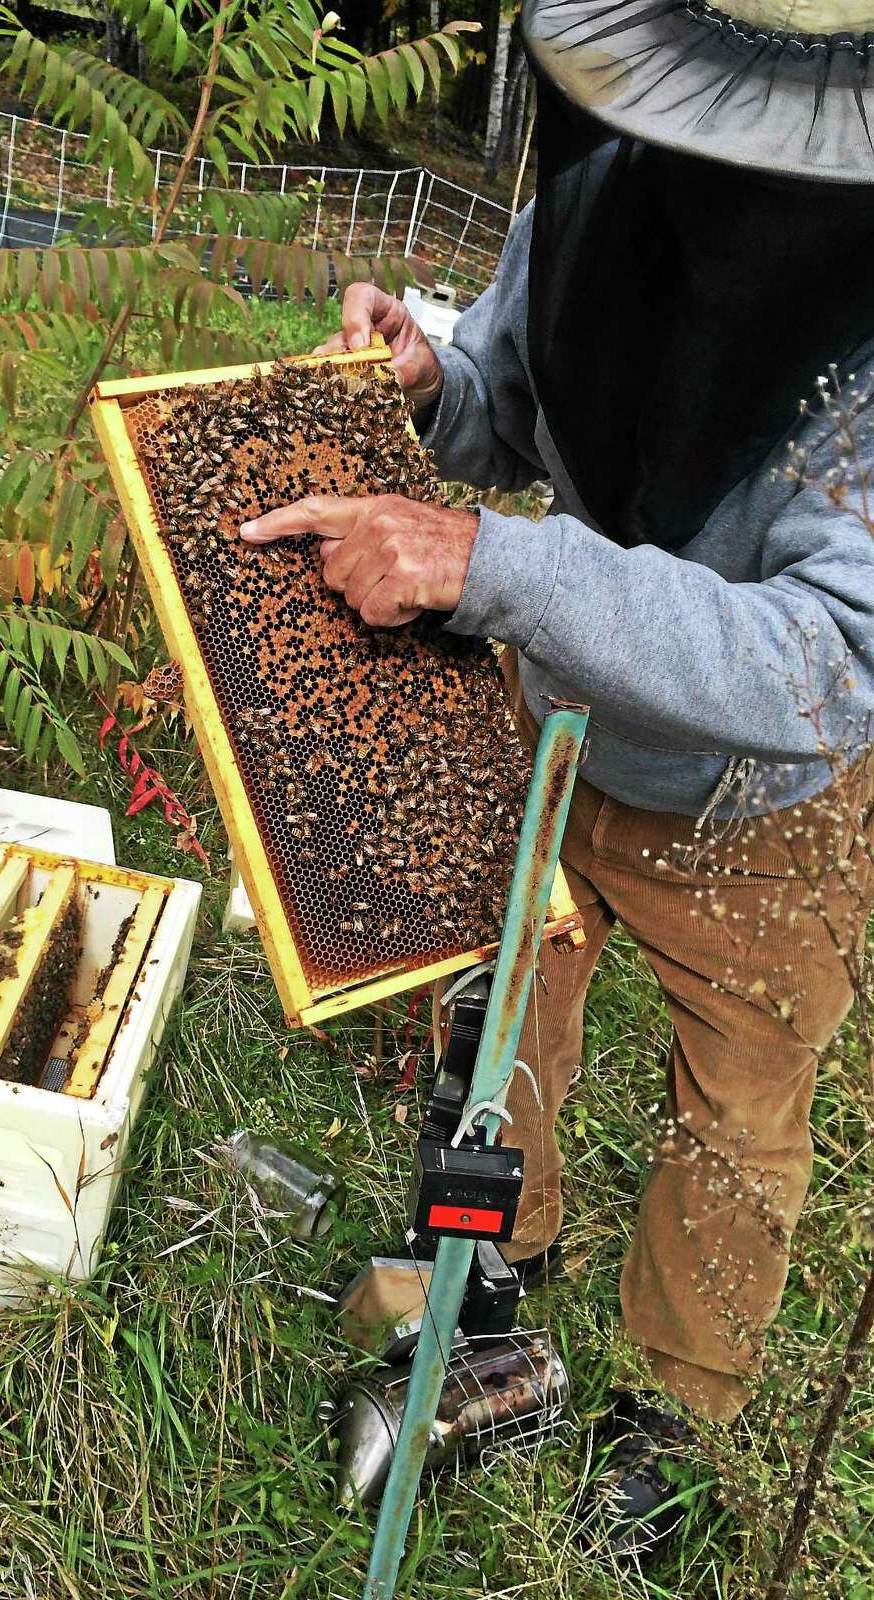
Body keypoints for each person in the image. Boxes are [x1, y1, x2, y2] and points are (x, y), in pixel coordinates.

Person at [240, 0, 874, 1562]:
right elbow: (511, 392)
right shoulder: (605, 189)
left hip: (760, 808)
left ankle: (670, 1412)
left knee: (737, 1110)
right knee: (506, 994)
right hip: (554, 713)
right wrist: (430, 381)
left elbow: (829, 656)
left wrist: (491, 565)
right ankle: (489, 1288)